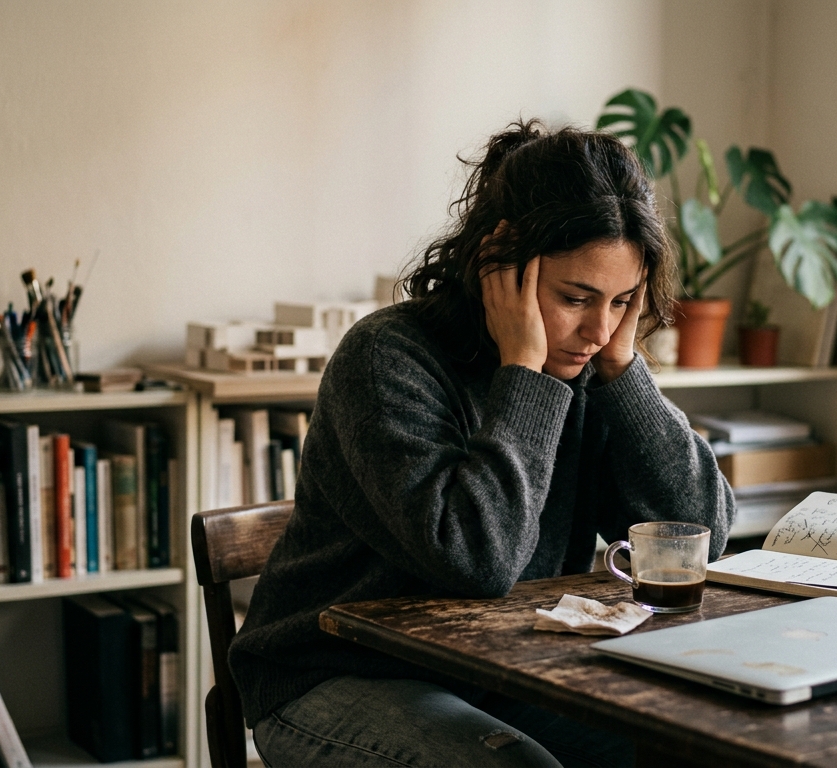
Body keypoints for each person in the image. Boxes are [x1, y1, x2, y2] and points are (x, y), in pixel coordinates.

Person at [231, 119, 735, 768]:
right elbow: (477, 559)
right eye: (576, 298)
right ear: (501, 260)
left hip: (496, 672)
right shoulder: (387, 358)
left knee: (692, 749)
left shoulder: (590, 365)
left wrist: (625, 372)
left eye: (622, 301)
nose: (598, 328)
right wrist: (524, 374)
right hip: (331, 676)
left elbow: (701, 534)